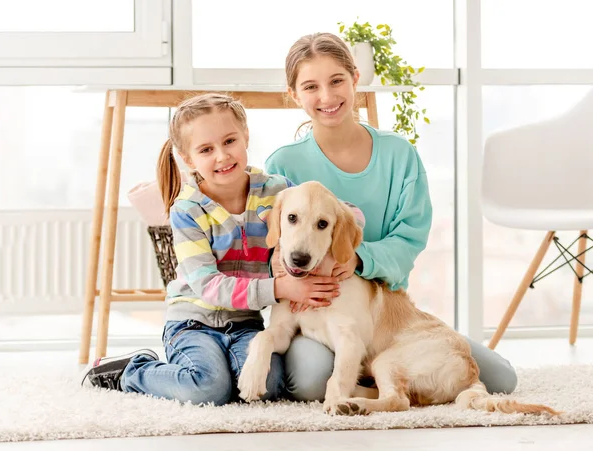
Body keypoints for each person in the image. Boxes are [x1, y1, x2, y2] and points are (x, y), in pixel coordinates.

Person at [265, 32, 518, 401]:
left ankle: (386, 376)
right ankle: (382, 383)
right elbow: (272, 245)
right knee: (309, 382)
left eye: (337, 80)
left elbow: (410, 238)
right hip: (316, 316)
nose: (327, 97)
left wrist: (357, 258)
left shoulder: (399, 155)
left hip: (384, 314)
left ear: (355, 78)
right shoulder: (282, 164)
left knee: (500, 378)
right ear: (294, 95)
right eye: (311, 86)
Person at [81, 93, 341, 405]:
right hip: (192, 322)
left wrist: (339, 255)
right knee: (208, 389)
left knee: (268, 387)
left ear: (245, 137)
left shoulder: (276, 190)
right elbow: (207, 286)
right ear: (189, 158)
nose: (222, 156)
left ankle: (221, 372)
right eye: (206, 149)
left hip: (245, 322)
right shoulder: (188, 210)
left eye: (230, 141)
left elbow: (343, 212)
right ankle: (132, 371)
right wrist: (280, 288)